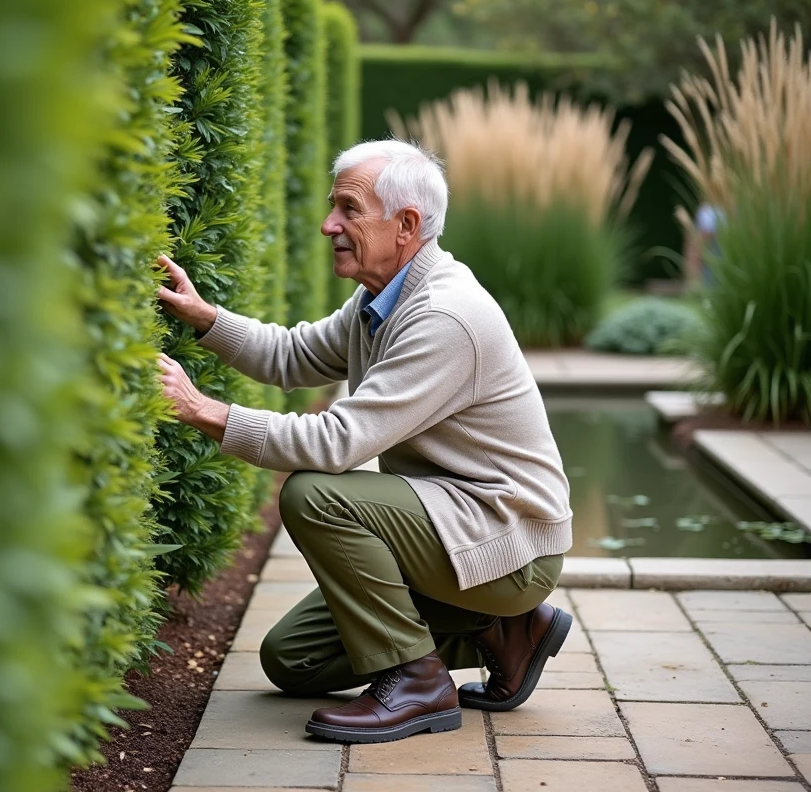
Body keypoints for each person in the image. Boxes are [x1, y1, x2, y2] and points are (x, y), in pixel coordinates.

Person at [155, 139, 573, 745]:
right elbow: (295, 354)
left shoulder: (444, 316)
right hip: (453, 527)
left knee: (315, 495)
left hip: (506, 542)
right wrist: (204, 317)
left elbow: (336, 443)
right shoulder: (381, 299)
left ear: (406, 225)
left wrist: (202, 410)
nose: (329, 225)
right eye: (333, 207)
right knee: (291, 660)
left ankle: (418, 679)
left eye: (349, 209)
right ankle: (505, 630)